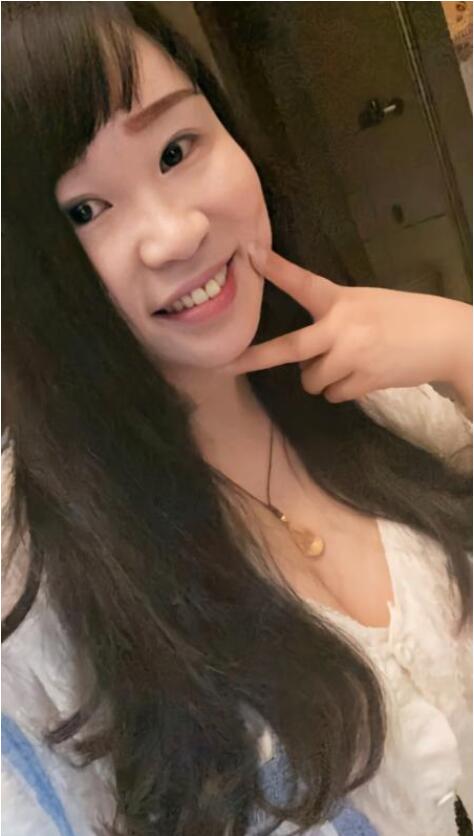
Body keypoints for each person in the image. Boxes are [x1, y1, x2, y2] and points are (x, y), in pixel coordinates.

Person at [2, 3, 472, 835]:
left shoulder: (376, 388)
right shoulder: (34, 585)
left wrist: (462, 346)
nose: (175, 233)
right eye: (84, 210)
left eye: (176, 150)